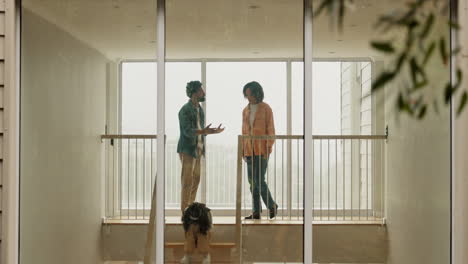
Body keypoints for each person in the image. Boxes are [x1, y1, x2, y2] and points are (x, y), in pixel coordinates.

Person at [177, 80, 224, 213]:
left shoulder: (200, 109)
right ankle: (184, 212)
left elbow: (200, 130)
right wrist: (203, 131)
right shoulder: (184, 110)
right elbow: (187, 131)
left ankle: (190, 209)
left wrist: (211, 131)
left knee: (196, 180)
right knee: (187, 181)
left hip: (198, 149)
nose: (203, 92)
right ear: (194, 92)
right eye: (201, 90)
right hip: (187, 150)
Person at [242, 81, 278, 220]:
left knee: (258, 180)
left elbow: (271, 129)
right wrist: (242, 151)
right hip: (248, 150)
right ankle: (256, 211)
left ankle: (271, 205)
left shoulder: (265, 108)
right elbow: (244, 131)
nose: (247, 96)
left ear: (257, 93)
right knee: (252, 182)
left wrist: (268, 146)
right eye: (246, 94)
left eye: (249, 93)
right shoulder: (245, 110)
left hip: (262, 150)